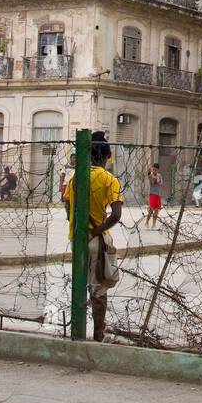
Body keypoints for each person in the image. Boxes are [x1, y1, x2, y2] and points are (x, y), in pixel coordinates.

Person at [62, 133, 123, 343]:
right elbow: (116, 215)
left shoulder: (76, 177)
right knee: (100, 288)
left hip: (77, 239)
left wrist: (79, 227)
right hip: (98, 240)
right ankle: (98, 333)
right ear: (107, 155)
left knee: (80, 284)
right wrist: (96, 230)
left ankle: (77, 329)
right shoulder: (110, 180)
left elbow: (68, 205)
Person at [144, 161, 164, 228]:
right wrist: (150, 172)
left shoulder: (159, 175)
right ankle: (147, 222)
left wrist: (158, 182)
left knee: (157, 210)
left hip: (158, 194)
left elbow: (161, 184)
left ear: (158, 170)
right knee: (151, 209)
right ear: (152, 168)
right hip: (152, 194)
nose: (154, 170)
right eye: (153, 169)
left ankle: (154, 224)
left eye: (156, 170)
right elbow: (151, 178)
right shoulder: (151, 174)